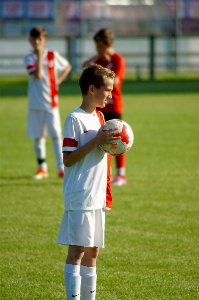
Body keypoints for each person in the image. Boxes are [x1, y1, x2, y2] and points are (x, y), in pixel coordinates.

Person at [57, 64, 117, 300]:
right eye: (107, 90)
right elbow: (69, 159)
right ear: (92, 89)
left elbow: (100, 151)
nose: (111, 95)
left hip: (97, 195)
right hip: (80, 195)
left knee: (93, 252)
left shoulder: (100, 117)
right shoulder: (75, 119)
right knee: (78, 251)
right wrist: (96, 141)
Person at [24, 26, 72, 179]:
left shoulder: (52, 55)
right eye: (34, 40)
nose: (37, 43)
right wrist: (39, 56)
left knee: (56, 135)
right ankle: (42, 168)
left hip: (51, 102)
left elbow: (67, 66)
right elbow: (38, 75)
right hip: (35, 103)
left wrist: (58, 81)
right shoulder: (29, 57)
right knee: (38, 136)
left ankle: (61, 168)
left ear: (45, 40)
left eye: (40, 40)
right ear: (30, 40)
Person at [82, 28, 127, 186]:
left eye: (100, 47)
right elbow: (84, 68)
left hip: (114, 106)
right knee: (100, 141)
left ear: (108, 44)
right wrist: (95, 59)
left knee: (118, 139)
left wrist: (103, 69)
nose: (98, 50)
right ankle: (102, 174)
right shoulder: (99, 61)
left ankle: (121, 174)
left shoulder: (117, 60)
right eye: (96, 47)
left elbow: (115, 82)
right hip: (99, 107)